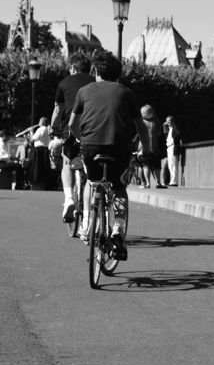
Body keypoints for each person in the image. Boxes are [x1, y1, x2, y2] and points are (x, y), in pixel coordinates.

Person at [68, 50, 152, 261]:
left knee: (92, 181)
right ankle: (117, 231)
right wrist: (147, 151)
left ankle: (87, 223)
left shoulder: (84, 91)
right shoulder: (127, 93)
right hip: (119, 148)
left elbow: (71, 124)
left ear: (96, 71)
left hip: (90, 147)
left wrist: (81, 139)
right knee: (119, 188)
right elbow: (141, 128)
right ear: (118, 74)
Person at [52, 52, 94, 221]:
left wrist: (53, 127)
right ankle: (87, 218)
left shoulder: (64, 83)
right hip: (92, 129)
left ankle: (69, 197)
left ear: (74, 67)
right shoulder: (95, 82)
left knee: (67, 163)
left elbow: (57, 110)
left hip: (71, 128)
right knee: (90, 171)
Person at [137, 104, 165, 189]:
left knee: (146, 166)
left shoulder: (141, 123)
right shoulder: (156, 123)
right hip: (155, 148)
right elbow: (159, 134)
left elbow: (140, 137)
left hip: (145, 148)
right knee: (157, 166)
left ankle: (147, 183)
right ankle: (158, 182)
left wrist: (139, 150)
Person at [27, 117, 51, 190]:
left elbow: (32, 139)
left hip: (38, 150)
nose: (39, 123)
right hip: (45, 149)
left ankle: (36, 183)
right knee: (44, 167)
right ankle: (44, 183)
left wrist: (31, 132)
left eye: (39, 122)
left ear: (42, 122)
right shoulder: (48, 129)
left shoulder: (41, 129)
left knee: (36, 167)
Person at [163, 115, 182, 186]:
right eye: (167, 121)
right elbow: (165, 134)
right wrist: (164, 125)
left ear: (172, 121)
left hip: (173, 147)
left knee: (174, 164)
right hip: (169, 147)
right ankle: (172, 180)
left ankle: (174, 181)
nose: (168, 123)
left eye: (169, 121)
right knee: (170, 165)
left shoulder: (175, 127)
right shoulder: (168, 129)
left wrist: (177, 141)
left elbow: (178, 134)